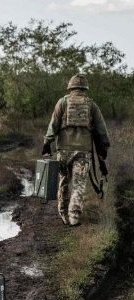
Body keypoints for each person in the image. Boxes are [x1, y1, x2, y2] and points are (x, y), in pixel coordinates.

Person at [43, 74, 110, 226]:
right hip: (83, 151)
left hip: (63, 150)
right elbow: (101, 129)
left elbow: (53, 124)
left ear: (70, 87)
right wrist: (103, 149)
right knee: (79, 183)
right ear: (85, 88)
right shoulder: (91, 105)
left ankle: (63, 213)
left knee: (64, 181)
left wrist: (47, 143)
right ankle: (74, 216)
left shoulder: (62, 102)